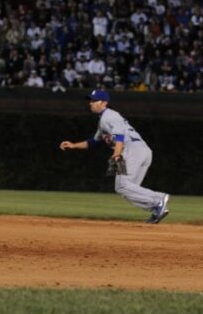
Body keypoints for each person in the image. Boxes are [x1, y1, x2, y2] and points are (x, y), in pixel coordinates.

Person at [59, 89, 170, 223]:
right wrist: (74, 145)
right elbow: (93, 142)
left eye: (94, 101)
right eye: (91, 100)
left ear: (104, 103)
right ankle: (157, 208)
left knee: (121, 185)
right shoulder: (104, 120)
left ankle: (159, 199)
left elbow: (119, 137)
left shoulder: (109, 116)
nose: (91, 103)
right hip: (142, 151)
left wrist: (116, 155)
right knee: (127, 190)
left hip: (132, 150)